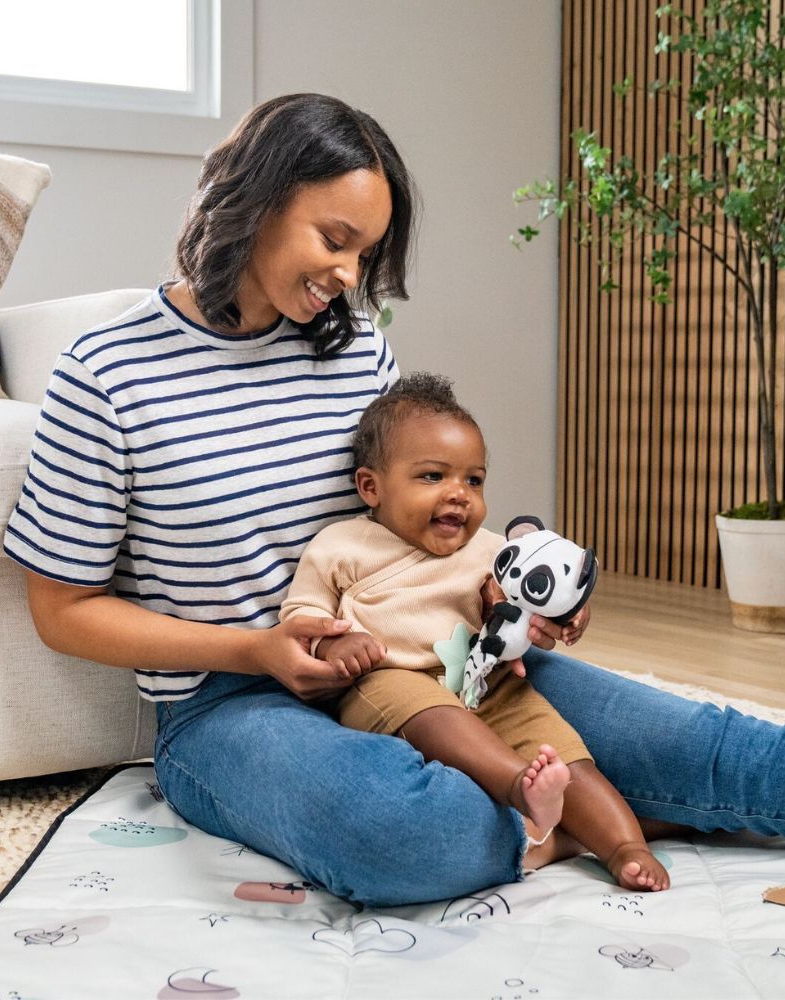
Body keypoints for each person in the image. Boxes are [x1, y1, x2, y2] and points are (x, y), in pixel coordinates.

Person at [4, 93, 785, 909]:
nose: (346, 276)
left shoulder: (354, 348)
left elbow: (421, 506)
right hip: (231, 707)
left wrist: (510, 582)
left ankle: (629, 799)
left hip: (442, 658)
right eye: (334, 241)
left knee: (709, 742)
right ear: (255, 200)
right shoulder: (109, 372)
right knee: (406, 830)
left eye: (364, 254)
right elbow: (61, 611)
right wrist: (255, 648)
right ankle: (599, 809)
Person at [280, 371, 669, 891]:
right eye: (433, 477)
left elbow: (536, 602)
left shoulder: (491, 552)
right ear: (371, 486)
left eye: (474, 480)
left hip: (484, 680)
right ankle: (519, 789)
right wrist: (336, 642)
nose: (459, 495)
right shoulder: (343, 545)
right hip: (387, 681)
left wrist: (569, 613)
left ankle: (624, 846)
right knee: (436, 716)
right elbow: (301, 617)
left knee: (562, 749)